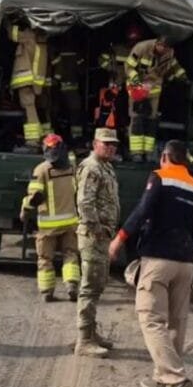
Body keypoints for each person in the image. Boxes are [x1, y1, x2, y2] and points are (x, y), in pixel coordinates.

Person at [109, 140, 193, 387]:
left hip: (159, 259)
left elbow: (143, 211)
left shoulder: (160, 177)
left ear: (165, 157)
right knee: (176, 322)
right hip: (185, 261)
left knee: (150, 318)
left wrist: (119, 239)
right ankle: (163, 381)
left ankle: (176, 379)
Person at [74, 127, 121, 357]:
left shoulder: (106, 168)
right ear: (95, 144)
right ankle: (84, 340)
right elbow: (85, 203)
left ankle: (91, 333)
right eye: (106, 144)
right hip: (93, 237)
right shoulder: (91, 168)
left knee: (98, 284)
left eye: (113, 144)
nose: (111, 147)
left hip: (102, 236)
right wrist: (97, 228)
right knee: (90, 287)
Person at [21, 134, 80, 302]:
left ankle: (47, 291)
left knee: (45, 259)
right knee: (70, 254)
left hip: (48, 226)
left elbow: (36, 197)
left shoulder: (41, 170)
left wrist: (25, 208)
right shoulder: (72, 168)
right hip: (70, 222)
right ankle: (71, 285)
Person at [125, 36, 188, 162]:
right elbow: (129, 67)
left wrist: (184, 78)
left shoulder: (169, 54)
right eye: (162, 47)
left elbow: (174, 68)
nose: (164, 50)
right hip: (137, 89)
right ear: (157, 44)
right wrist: (138, 84)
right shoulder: (141, 48)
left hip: (154, 90)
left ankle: (148, 153)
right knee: (137, 119)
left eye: (167, 48)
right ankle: (136, 153)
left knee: (151, 120)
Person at [7, 21, 51, 151]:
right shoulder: (42, 40)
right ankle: (45, 137)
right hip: (35, 81)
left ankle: (33, 141)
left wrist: (7, 22)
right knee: (38, 109)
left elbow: (12, 34)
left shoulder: (28, 35)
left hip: (26, 80)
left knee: (29, 109)